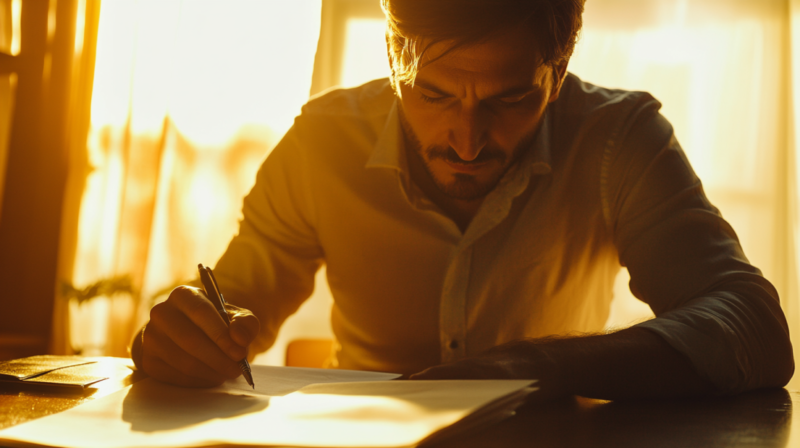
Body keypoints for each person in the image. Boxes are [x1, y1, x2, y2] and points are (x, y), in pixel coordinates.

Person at [130, 0, 794, 400]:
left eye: (510, 99)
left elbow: (753, 326)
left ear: (557, 73)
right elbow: (239, 300)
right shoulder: (320, 144)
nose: (468, 142)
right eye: (435, 95)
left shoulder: (618, 142)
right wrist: (196, 336)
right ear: (394, 57)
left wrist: (539, 366)